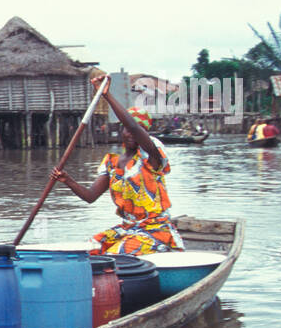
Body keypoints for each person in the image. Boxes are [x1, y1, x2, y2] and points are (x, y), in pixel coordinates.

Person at [51, 76, 185, 255]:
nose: (130, 134)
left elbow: (134, 127)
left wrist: (108, 96)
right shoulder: (112, 163)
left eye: (136, 130)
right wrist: (67, 180)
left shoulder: (151, 156)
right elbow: (90, 197)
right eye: (125, 129)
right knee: (90, 248)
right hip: (128, 228)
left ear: (144, 133)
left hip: (155, 229)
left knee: (116, 255)